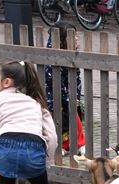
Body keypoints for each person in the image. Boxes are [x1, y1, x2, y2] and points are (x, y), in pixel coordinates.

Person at [44, 22, 84, 156]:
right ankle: (60, 145)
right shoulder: (51, 59)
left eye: (76, 36)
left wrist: (75, 95)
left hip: (69, 96)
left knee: (75, 118)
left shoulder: (72, 55)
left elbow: (77, 76)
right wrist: (66, 99)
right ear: (61, 41)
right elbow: (53, 82)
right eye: (73, 36)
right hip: (54, 97)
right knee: (56, 121)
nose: (76, 39)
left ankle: (78, 143)